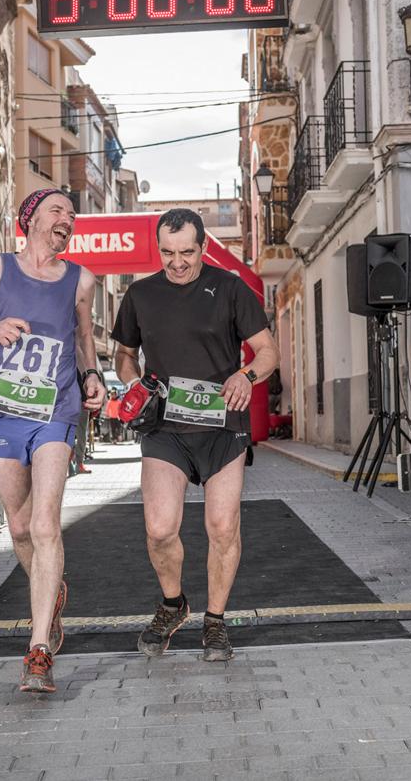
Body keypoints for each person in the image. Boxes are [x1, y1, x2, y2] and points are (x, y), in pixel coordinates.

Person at [0, 188, 104, 694]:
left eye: (71, 216)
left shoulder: (81, 279)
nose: (66, 221)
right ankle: (49, 593)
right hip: (3, 413)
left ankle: (38, 649)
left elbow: (84, 339)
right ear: (29, 219)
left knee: (46, 522)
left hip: (56, 411)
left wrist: (92, 375)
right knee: (21, 525)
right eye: (57, 212)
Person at [111, 208, 278, 663]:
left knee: (222, 527)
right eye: (168, 252)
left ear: (203, 247)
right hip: (165, 426)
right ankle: (173, 604)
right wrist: (131, 381)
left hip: (223, 425)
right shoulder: (141, 294)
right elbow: (124, 353)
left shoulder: (229, 289)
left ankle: (216, 622)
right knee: (160, 528)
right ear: (158, 249)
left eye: (186, 252)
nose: (177, 262)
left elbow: (267, 352)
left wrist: (246, 375)